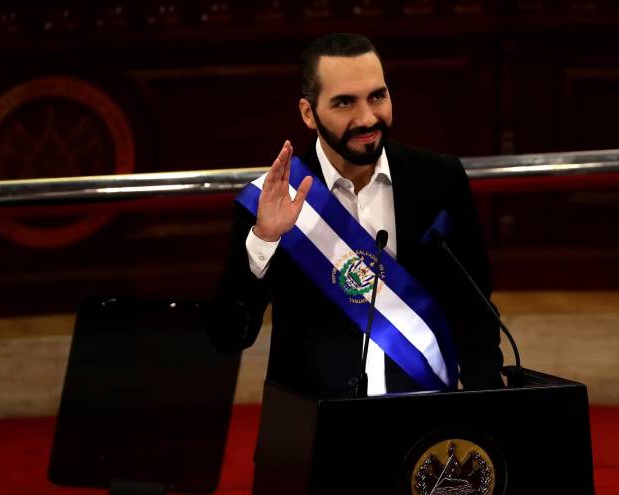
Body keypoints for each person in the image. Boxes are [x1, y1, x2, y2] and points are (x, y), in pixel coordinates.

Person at [215, 32, 503, 398]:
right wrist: (264, 239)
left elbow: (475, 313)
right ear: (308, 113)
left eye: (377, 97)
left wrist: (486, 406)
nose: (367, 118)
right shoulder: (274, 198)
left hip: (423, 417)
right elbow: (227, 336)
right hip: (315, 430)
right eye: (345, 103)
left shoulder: (439, 179)